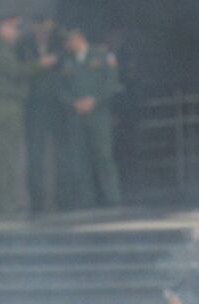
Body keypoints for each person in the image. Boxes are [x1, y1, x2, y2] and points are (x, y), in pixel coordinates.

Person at [0, 14, 56, 214]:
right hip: (7, 106)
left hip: (11, 105)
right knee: (7, 157)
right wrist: (40, 64)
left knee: (10, 156)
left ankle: (8, 201)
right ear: (1, 28)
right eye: (12, 28)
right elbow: (16, 71)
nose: (16, 32)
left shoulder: (4, 49)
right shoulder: (0, 50)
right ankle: (5, 203)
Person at [56, 26, 122, 208]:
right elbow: (59, 89)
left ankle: (112, 198)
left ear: (79, 38)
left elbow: (111, 82)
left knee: (103, 156)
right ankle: (86, 200)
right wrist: (73, 103)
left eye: (70, 40)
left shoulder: (102, 56)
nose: (67, 45)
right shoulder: (65, 61)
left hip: (98, 115)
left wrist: (95, 101)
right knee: (79, 159)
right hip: (76, 116)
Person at [22, 14, 63, 213]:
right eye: (39, 31)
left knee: (64, 152)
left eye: (46, 31)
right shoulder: (24, 48)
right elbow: (19, 73)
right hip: (35, 108)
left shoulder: (59, 48)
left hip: (58, 107)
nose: (43, 35)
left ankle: (65, 198)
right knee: (35, 155)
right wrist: (40, 65)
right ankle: (37, 200)